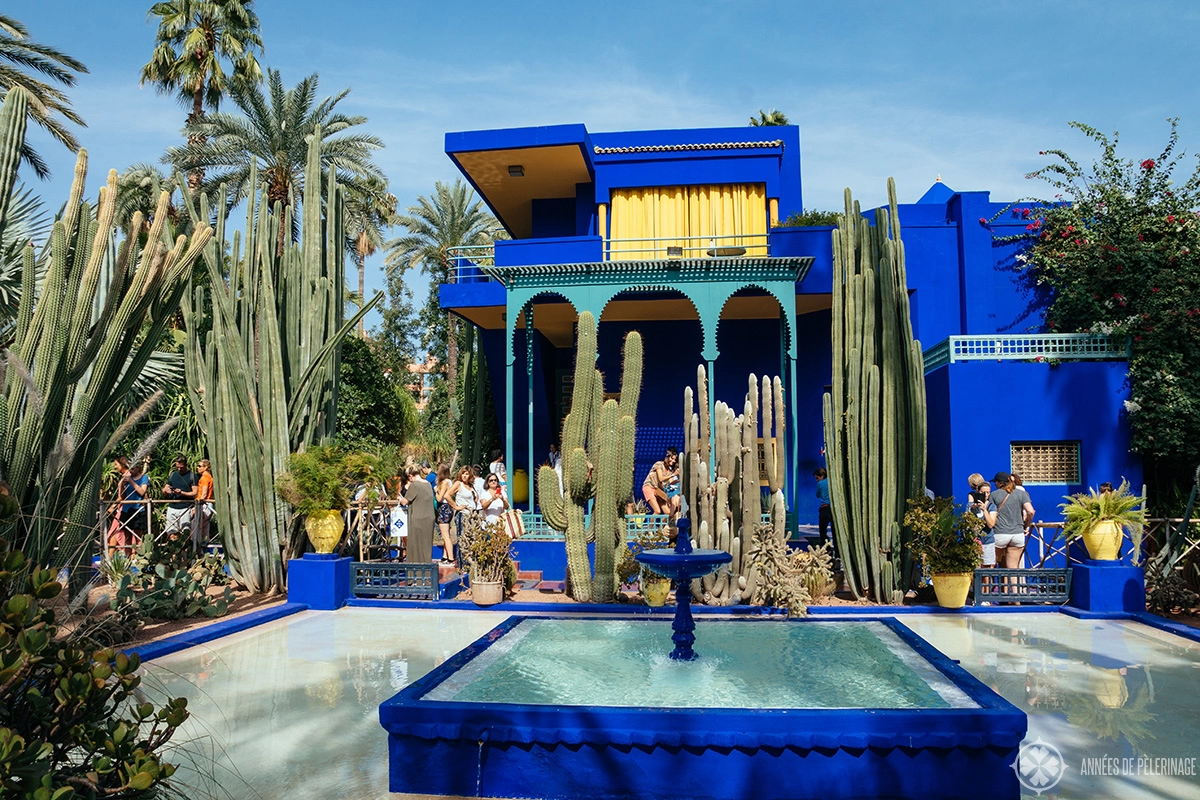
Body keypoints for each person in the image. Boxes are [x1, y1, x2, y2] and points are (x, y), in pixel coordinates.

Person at [991, 471, 1034, 569]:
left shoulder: (994, 495)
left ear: (1000, 483)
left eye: (996, 482)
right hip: (1017, 534)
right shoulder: (1021, 494)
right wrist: (1027, 525)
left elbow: (991, 513)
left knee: (991, 564)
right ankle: (1013, 585)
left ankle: (989, 584)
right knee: (1013, 568)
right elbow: (1030, 511)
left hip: (1000, 533)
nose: (995, 484)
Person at [398, 464, 435, 563]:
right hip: (429, 518)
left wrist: (400, 498)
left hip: (418, 519)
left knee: (415, 546)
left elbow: (405, 501)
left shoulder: (415, 485)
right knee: (426, 546)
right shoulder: (427, 484)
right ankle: (427, 570)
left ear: (410, 475)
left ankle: (416, 572)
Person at [116, 461, 149, 552]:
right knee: (127, 535)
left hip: (138, 509)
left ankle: (140, 556)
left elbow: (142, 491)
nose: (131, 471)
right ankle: (127, 557)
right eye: (130, 468)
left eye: (133, 468)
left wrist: (131, 481)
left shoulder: (144, 478)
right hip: (127, 509)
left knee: (138, 535)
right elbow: (122, 496)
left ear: (138, 468)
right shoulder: (126, 477)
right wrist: (122, 485)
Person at [163, 456, 198, 542]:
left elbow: (195, 492)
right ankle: (172, 550)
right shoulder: (173, 474)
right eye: (177, 467)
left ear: (185, 465)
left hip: (185, 507)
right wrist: (165, 491)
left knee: (185, 532)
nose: (179, 469)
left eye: (181, 467)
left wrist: (181, 493)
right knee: (171, 531)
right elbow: (165, 488)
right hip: (172, 507)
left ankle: (184, 552)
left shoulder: (192, 476)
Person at [967, 473, 998, 569]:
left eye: (988, 492)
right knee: (973, 569)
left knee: (986, 570)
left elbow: (991, 524)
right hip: (974, 540)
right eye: (983, 492)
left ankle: (986, 585)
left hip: (987, 541)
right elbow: (967, 521)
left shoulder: (992, 506)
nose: (986, 495)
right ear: (977, 492)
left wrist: (984, 510)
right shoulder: (971, 506)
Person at [641, 447, 681, 517]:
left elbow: (670, 481)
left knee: (668, 513)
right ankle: (650, 528)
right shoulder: (659, 464)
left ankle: (660, 528)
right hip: (649, 487)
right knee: (657, 511)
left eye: (675, 459)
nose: (674, 461)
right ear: (667, 456)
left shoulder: (670, 471)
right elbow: (661, 478)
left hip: (658, 491)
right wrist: (673, 474)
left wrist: (679, 477)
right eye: (672, 458)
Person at [448, 466, 478, 548]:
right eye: (463, 474)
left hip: (471, 516)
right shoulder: (458, 484)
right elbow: (447, 495)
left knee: (471, 540)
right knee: (462, 540)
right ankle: (461, 560)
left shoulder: (471, 486)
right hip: (462, 514)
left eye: (467, 474)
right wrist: (456, 507)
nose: (464, 476)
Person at [434, 463, 456, 563]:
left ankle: (450, 558)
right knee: (445, 534)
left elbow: (439, 498)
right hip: (448, 509)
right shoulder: (449, 481)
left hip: (444, 508)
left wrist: (436, 491)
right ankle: (445, 556)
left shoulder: (444, 483)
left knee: (445, 535)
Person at [193, 459, 215, 551]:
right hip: (209, 504)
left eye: (199, 466)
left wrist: (198, 505)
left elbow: (204, 493)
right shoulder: (210, 477)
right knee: (205, 528)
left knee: (196, 526)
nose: (197, 468)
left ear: (206, 467)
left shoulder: (204, 478)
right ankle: (205, 548)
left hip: (204, 504)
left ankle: (197, 548)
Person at [814, 467, 834, 555]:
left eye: (817, 478)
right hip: (833, 509)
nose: (816, 480)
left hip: (824, 508)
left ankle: (827, 548)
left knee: (822, 530)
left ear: (822, 476)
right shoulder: (832, 481)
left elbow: (817, 495)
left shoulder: (820, 484)